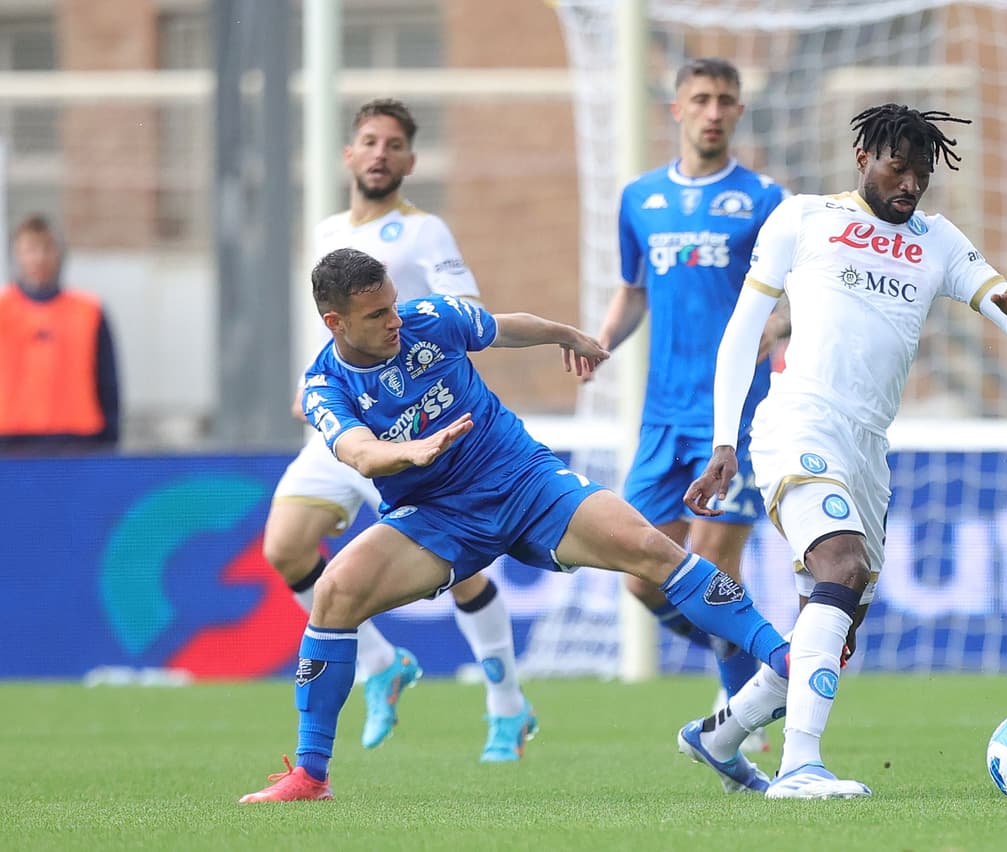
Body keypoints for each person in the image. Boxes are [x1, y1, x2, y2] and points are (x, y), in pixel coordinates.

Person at [239, 247, 791, 802]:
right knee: (334, 593)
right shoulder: (324, 385)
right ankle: (310, 775)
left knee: (653, 549)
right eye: (377, 314)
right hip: (437, 515)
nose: (394, 321)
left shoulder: (431, 319)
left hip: (523, 480)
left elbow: (505, 328)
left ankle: (784, 657)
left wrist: (564, 335)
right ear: (334, 322)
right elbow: (360, 453)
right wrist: (411, 451)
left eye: (393, 305)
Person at [681, 103, 1007, 799]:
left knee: (834, 629)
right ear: (863, 159)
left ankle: (719, 736)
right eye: (896, 167)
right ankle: (799, 766)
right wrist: (723, 441)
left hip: (867, 449)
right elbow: (742, 331)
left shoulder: (939, 241)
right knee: (842, 566)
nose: (910, 184)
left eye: (921, 173)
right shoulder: (803, 218)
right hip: (798, 423)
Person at [262, 99, 532, 761]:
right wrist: (313, 385)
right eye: (369, 141)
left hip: (414, 427)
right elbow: (334, 324)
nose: (379, 153)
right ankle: (381, 663)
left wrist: (412, 342)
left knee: (461, 570)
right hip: (347, 422)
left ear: (410, 160)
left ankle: (506, 704)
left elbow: (467, 310)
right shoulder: (327, 231)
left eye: (393, 144)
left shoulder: (424, 232)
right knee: (285, 548)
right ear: (348, 154)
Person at [595, 57, 789, 753]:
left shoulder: (766, 200)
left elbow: (799, 296)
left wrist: (778, 326)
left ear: (738, 112)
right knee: (641, 575)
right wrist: (600, 343)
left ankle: (740, 715)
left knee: (711, 560)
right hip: (660, 417)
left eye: (724, 100)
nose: (712, 111)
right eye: (700, 99)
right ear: (677, 109)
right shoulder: (639, 199)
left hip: (732, 418)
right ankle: (751, 669)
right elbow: (634, 290)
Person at [0, 214, 120, 454]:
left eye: (47, 248)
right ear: (16, 256)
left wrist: (110, 441)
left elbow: (108, 381)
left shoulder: (89, 311)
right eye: (30, 250)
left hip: (78, 443)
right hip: (10, 445)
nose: (39, 258)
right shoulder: (3, 310)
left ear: (60, 254)